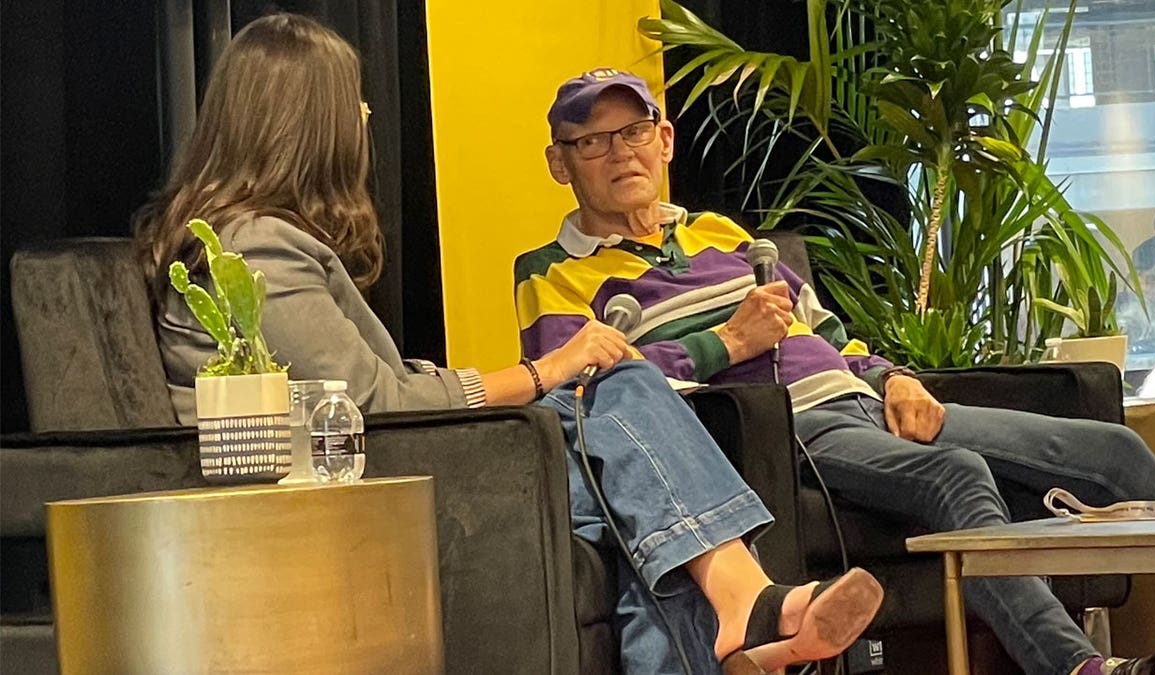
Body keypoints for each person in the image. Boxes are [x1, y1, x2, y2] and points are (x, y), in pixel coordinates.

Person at [131, 15, 882, 675]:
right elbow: (374, 403)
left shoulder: (266, 240)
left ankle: (737, 610)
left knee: (640, 495)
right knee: (610, 398)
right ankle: (746, 598)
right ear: (311, 123)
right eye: (354, 105)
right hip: (357, 486)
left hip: (389, 461)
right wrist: (538, 372)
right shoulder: (261, 245)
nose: (364, 119)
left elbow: (380, 381)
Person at [515, 67, 1155, 675]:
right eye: (592, 141)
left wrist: (895, 377)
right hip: (785, 428)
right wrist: (726, 340)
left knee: (1113, 447)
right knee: (958, 472)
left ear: (663, 141)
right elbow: (589, 394)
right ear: (559, 163)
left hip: (866, 402)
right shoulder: (554, 272)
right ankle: (1080, 666)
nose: (619, 153)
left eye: (632, 132)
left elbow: (831, 333)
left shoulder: (725, 235)